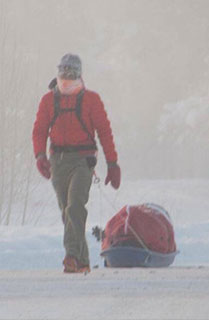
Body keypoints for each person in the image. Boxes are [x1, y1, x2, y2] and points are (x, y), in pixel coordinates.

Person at [32, 54, 121, 273]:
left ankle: (71, 255)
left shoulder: (91, 99)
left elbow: (104, 132)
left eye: (71, 72)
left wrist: (112, 163)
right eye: (63, 71)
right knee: (67, 212)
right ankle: (82, 262)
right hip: (58, 161)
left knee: (75, 207)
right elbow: (40, 130)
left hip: (83, 161)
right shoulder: (48, 101)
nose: (66, 76)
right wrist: (40, 156)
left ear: (79, 74)